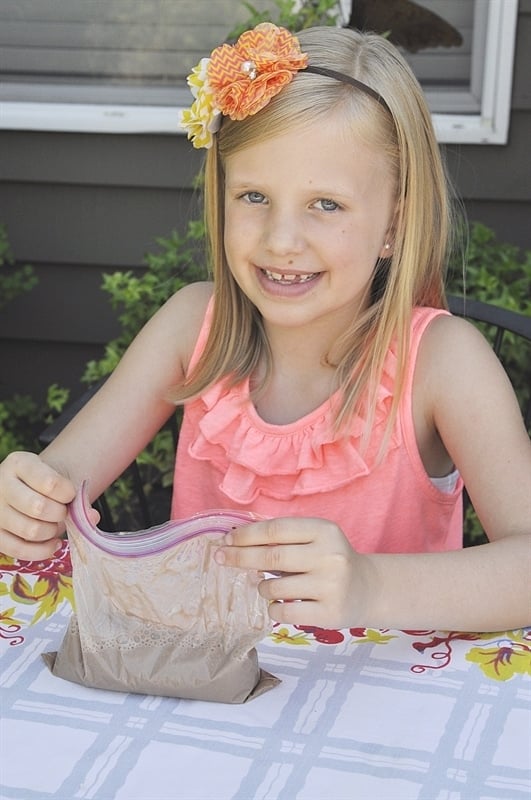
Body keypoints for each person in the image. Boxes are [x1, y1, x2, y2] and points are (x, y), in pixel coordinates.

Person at [1, 24, 529, 633]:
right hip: (206, 690)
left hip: (377, 706)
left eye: (326, 204)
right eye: (254, 196)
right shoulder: (190, 327)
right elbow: (61, 477)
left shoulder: (443, 365)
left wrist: (372, 584)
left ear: (393, 225)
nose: (282, 240)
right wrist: (29, 499)